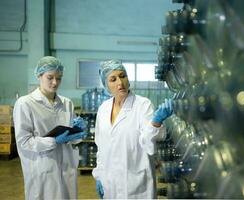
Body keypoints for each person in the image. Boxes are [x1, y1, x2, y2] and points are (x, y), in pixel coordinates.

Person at [92, 60, 173, 199]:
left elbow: (147, 143)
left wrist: (155, 122)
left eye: (123, 76)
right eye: (113, 79)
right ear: (106, 85)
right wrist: (99, 175)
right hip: (109, 183)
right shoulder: (103, 109)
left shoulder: (142, 105)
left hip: (136, 185)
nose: (120, 82)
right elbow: (101, 146)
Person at [13, 56, 87, 200]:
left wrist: (77, 133)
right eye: (50, 77)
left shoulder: (67, 103)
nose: (55, 82)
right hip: (42, 169)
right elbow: (24, 141)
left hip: (66, 169)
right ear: (39, 76)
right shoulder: (25, 103)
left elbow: (72, 141)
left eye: (58, 78)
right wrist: (54, 141)